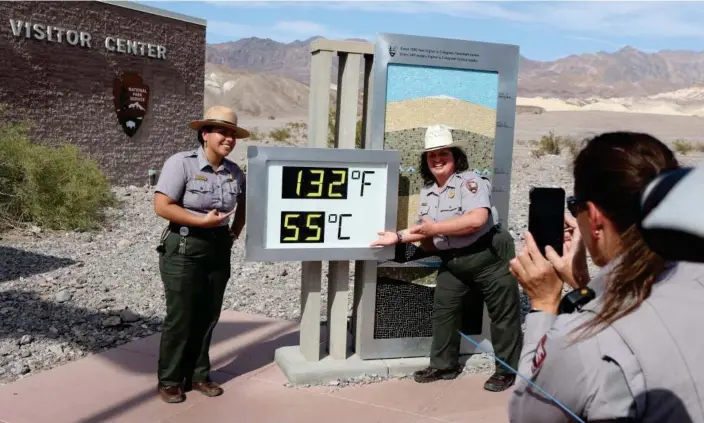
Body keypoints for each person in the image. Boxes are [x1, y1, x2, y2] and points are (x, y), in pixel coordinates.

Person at [508, 131, 704, 423]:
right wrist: (585, 287)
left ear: (596, 217)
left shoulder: (579, 339)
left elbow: (528, 414)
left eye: (577, 207)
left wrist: (544, 303)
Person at [371, 124, 523, 392]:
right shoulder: (428, 194)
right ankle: (444, 365)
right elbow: (424, 232)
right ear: (426, 161)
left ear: (455, 156)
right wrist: (397, 237)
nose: (438, 159)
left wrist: (434, 230)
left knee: (503, 316)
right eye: (432, 155)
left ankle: (506, 371)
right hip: (454, 261)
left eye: (444, 153)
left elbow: (476, 220)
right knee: (444, 312)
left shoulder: (470, 182)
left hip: (489, 257)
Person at [152, 106, 248, 403]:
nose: (229, 139)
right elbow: (162, 205)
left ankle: (198, 375)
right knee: (182, 316)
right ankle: (170, 379)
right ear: (205, 134)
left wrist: (234, 233)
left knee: (208, 315)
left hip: (219, 247)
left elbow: (243, 203)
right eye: (222, 132)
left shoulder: (234, 171)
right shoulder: (181, 164)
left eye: (232, 133)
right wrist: (201, 221)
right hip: (184, 246)